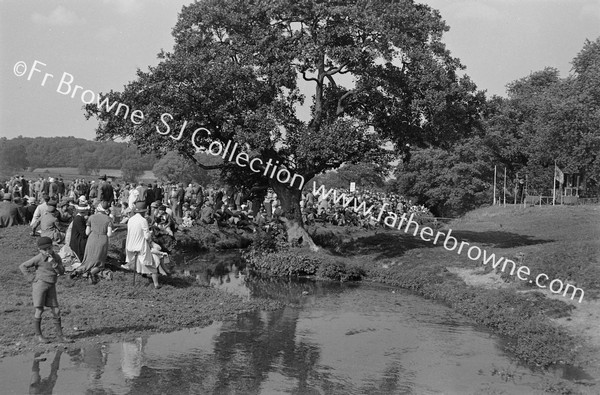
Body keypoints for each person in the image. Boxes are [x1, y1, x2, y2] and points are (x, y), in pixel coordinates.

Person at [19, 237, 71, 343]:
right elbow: (23, 266)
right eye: (44, 249)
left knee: (56, 310)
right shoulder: (38, 258)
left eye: (49, 248)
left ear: (52, 247)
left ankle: (60, 336)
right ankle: (39, 336)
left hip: (51, 285)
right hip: (40, 286)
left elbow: (61, 272)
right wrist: (31, 278)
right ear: (39, 249)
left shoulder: (56, 257)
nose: (47, 251)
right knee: (39, 310)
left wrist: (54, 264)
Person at [124, 202, 161, 289]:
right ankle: (156, 284)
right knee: (151, 263)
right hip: (140, 245)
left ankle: (141, 275)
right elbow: (147, 236)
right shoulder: (143, 220)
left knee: (138, 261)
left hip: (130, 244)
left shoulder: (130, 219)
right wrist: (150, 236)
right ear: (143, 212)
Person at [78, 201, 113, 284]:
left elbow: (87, 232)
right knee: (100, 263)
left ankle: (78, 271)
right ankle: (92, 273)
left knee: (88, 260)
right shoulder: (108, 219)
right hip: (102, 239)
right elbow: (109, 234)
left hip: (92, 238)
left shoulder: (91, 217)